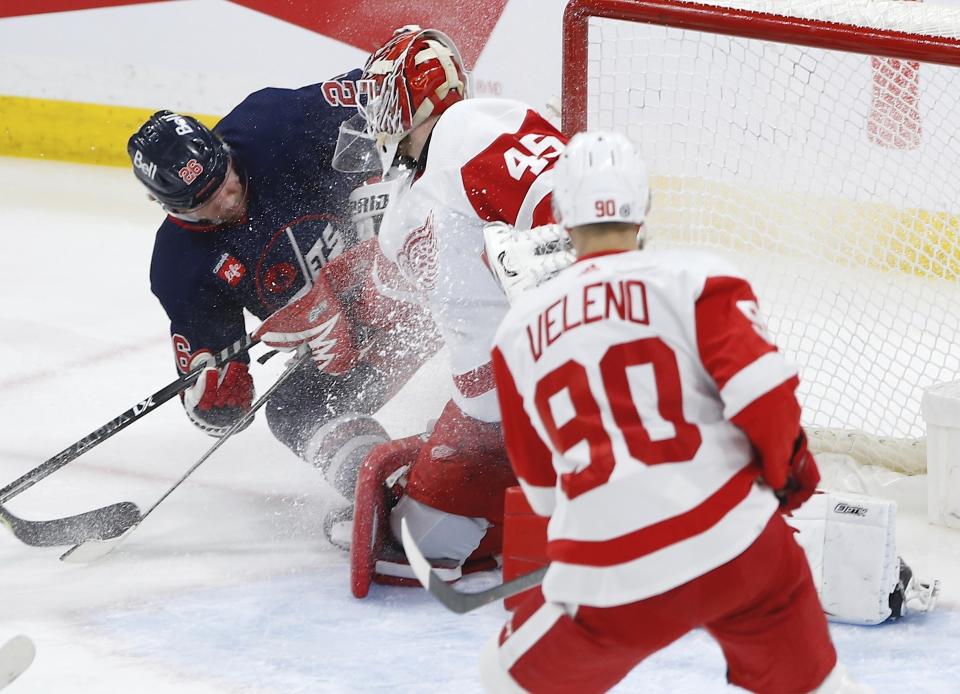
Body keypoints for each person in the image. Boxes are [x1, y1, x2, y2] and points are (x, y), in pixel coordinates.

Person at [482, 131, 868, 693]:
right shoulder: (698, 278)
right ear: (642, 207)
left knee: (503, 680)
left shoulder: (514, 332)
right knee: (816, 685)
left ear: (562, 215)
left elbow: (543, 491)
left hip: (612, 580)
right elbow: (766, 400)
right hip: (736, 547)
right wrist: (788, 474)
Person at [322, 25, 578, 590]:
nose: (375, 118)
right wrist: (340, 300)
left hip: (549, 374)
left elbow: (563, 199)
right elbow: (403, 296)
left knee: (407, 549)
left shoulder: (466, 128)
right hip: (490, 408)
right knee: (412, 548)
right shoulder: (409, 202)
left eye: (385, 99)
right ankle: (533, 511)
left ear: (421, 96)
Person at [127, 75, 440, 510]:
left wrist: (379, 205)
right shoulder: (178, 266)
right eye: (205, 202)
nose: (227, 197)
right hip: (352, 344)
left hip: (424, 270)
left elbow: (389, 85)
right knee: (292, 411)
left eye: (225, 177)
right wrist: (217, 399)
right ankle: (392, 490)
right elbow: (217, 376)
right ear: (172, 209)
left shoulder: (276, 121)